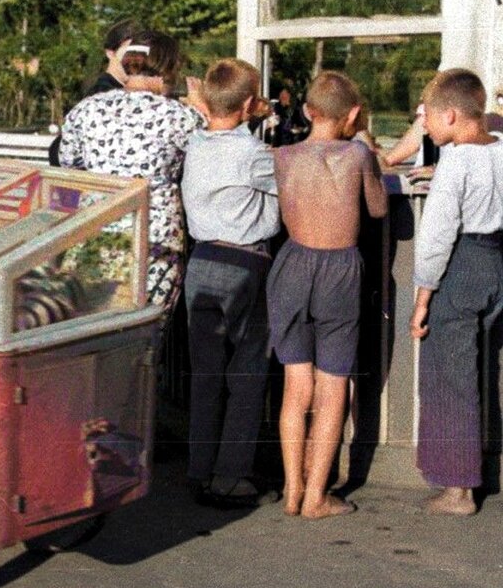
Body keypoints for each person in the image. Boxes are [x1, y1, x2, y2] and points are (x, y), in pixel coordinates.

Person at [267, 71, 387, 519]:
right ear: (353, 114)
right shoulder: (357, 154)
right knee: (333, 387)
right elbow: (376, 208)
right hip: (339, 269)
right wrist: (371, 156)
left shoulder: (283, 155)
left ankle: (292, 488)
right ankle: (318, 496)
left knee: (296, 387)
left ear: (306, 111)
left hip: (292, 265)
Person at [181, 59, 280, 506]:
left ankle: (199, 468)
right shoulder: (252, 154)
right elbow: (290, 181)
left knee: (205, 374)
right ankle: (230, 475)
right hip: (245, 264)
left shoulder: (195, 145)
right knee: (246, 373)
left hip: (200, 262)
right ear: (248, 105)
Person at [409, 69, 503, 516]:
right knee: (479, 373)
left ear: (450, 114)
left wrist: (422, 298)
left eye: (428, 115)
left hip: (460, 267)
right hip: (495, 263)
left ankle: (458, 489)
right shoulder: (500, 150)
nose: (423, 123)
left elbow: (436, 237)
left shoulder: (456, 164)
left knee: (451, 378)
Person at [58, 30, 207, 313]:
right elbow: (211, 159)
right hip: (153, 241)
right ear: (167, 68)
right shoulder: (180, 116)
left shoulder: (86, 109)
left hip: (96, 230)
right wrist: (200, 107)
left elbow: (69, 163)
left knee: (92, 325)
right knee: (146, 330)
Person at [48, 18, 144, 166]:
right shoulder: (100, 97)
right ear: (110, 53)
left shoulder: (131, 92)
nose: (137, 59)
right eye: (130, 52)